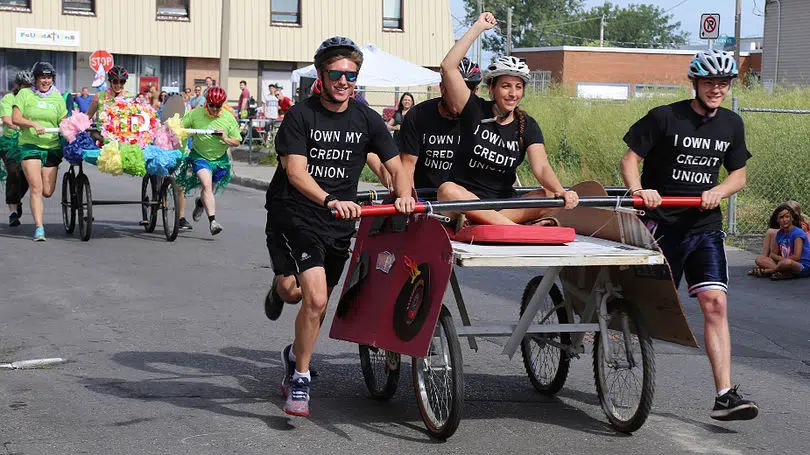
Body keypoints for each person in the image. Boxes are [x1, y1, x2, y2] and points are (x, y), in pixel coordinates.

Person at [263, 36, 415, 417]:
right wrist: (330, 199)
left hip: (338, 224)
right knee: (302, 295)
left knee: (315, 300)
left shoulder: (366, 119)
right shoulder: (300, 116)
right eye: (336, 73)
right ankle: (301, 378)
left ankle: (293, 354)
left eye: (351, 74)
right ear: (321, 74)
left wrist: (403, 194)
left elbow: (395, 165)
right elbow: (295, 172)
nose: (344, 81)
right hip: (296, 216)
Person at [620, 48, 758, 421]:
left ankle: (725, 395)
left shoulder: (731, 124)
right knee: (648, 307)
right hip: (662, 223)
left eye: (723, 83)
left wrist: (720, 191)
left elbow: (738, 174)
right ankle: (612, 339)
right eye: (710, 82)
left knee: (715, 303)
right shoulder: (665, 118)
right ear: (695, 83)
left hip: (703, 227)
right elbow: (630, 159)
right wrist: (639, 190)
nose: (717, 89)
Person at [437, 12, 578, 226]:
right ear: (491, 88)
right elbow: (448, 66)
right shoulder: (474, 108)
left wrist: (561, 191)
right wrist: (478, 28)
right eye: (506, 86)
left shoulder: (527, 125)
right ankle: (513, 229)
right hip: (466, 201)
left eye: (518, 87)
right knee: (447, 190)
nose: (513, 93)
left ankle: (490, 224)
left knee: (549, 195)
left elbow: (541, 167)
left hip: (504, 206)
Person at [400, 57, 481, 189]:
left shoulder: (483, 118)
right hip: (426, 198)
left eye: (467, 90)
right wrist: (409, 199)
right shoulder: (418, 115)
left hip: (466, 198)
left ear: (475, 92)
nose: (459, 95)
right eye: (455, 88)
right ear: (442, 88)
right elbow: (407, 165)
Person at [10, 61, 68, 241]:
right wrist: (33, 124)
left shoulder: (57, 97)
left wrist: (69, 127)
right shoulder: (25, 94)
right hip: (30, 146)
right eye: (42, 77)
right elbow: (16, 118)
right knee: (36, 187)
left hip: (51, 146)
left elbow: (63, 119)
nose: (45, 80)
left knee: (47, 191)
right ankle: (39, 228)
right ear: (35, 79)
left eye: (49, 77)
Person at [175, 86, 241, 235]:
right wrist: (178, 132)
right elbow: (180, 127)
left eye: (218, 106)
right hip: (200, 156)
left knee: (209, 189)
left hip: (220, 160)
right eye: (211, 105)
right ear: (206, 104)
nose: (215, 109)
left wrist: (225, 138)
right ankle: (213, 222)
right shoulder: (195, 114)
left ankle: (200, 203)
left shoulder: (228, 118)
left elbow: (237, 141)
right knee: (206, 185)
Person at [1, 70, 33, 227]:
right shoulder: (9, 98)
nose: (26, 89)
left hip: (28, 142)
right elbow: (7, 119)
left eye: (29, 86)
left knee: (28, 176)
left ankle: (17, 199)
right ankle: (13, 211)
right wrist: (20, 127)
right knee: (14, 173)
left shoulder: (33, 99)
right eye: (24, 86)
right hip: (10, 143)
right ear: (17, 86)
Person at [750, 202, 810, 280]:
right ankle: (784, 273)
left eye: (787, 217)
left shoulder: (798, 233)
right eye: (781, 217)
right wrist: (779, 260)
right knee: (759, 259)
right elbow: (773, 254)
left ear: (792, 218)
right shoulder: (779, 234)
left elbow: (797, 257)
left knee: (786, 262)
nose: (785, 220)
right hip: (784, 263)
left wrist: (780, 260)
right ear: (777, 220)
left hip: (802, 266)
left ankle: (768, 271)